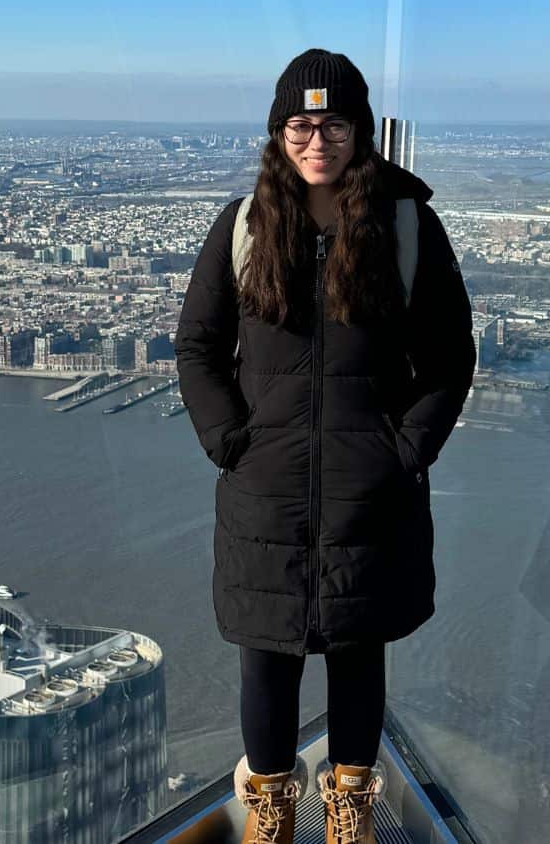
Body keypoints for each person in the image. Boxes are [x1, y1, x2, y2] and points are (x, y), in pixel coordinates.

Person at [174, 49, 475, 844]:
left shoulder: (405, 224)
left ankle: (348, 804)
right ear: (278, 135)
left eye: (333, 123)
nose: (318, 140)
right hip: (264, 486)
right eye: (301, 125)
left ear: (359, 131)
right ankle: (270, 804)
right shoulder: (241, 226)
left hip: (369, 488)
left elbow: (450, 356)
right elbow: (196, 348)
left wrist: (405, 451)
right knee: (265, 657)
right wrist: (228, 442)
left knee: (357, 652)